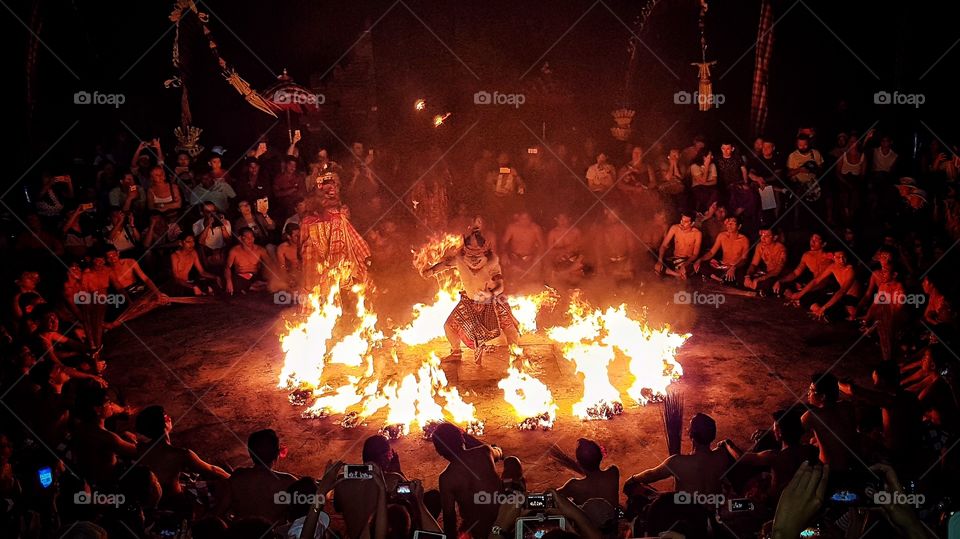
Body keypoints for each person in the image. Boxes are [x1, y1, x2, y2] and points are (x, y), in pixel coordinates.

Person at [420, 227, 521, 365]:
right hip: (469, 303)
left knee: (508, 326)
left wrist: (489, 294)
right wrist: (432, 271)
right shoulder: (460, 261)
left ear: (485, 250)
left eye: (477, 254)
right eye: (470, 254)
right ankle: (456, 353)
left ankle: (516, 353)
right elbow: (445, 264)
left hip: (492, 302)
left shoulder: (492, 264)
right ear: (465, 250)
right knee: (449, 326)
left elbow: (500, 286)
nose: (474, 259)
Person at [134, 405, 230, 503]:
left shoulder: (140, 448)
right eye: (166, 416)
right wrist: (234, 478)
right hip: (175, 500)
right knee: (220, 486)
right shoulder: (180, 454)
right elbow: (212, 470)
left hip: (153, 499)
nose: (169, 418)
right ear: (165, 421)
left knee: (185, 481)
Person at [624, 413, 730, 498]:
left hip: (686, 513)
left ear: (691, 434)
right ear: (713, 435)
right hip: (713, 510)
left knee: (638, 490)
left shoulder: (678, 462)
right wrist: (727, 444)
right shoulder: (722, 455)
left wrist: (632, 479)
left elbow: (651, 475)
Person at [720, 409, 817, 501]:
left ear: (780, 433)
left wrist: (727, 443)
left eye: (775, 429)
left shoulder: (774, 456)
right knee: (765, 439)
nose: (773, 430)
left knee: (729, 508)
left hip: (772, 501)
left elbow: (741, 458)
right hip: (794, 496)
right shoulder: (809, 449)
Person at [300, 172, 372, 291]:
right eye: (327, 186)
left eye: (333, 186)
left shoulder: (340, 217)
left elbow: (351, 234)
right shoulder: (309, 220)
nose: (331, 189)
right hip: (315, 246)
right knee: (314, 279)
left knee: (335, 279)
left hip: (336, 247)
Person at [431, 423, 503, 539]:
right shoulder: (484, 451)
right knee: (512, 462)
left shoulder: (446, 479)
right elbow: (499, 453)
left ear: (439, 452)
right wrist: (496, 449)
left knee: (467, 520)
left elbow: (449, 518)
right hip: (504, 521)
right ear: (462, 438)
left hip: (480, 532)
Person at [216, 429, 298, 522]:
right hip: (273, 535)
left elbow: (219, 511)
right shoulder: (288, 482)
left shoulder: (238, 477)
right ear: (277, 453)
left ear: (250, 453)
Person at [801, 373, 860, 470]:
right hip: (854, 465)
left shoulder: (811, 415)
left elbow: (790, 435)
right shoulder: (847, 406)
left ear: (822, 396)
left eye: (811, 390)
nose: (808, 393)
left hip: (830, 470)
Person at [105, 245, 170, 328]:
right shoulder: (109, 271)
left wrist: (158, 293)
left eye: (114, 255)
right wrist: (129, 302)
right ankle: (118, 322)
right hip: (126, 294)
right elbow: (119, 288)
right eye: (109, 257)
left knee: (159, 298)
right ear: (106, 259)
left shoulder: (130, 262)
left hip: (138, 289)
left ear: (118, 253)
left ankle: (124, 318)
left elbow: (145, 278)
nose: (112, 259)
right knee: (141, 305)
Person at [787, 251, 861, 321]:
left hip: (850, 298)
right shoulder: (833, 266)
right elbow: (816, 280)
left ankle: (831, 311)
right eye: (838, 257)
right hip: (839, 296)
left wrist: (824, 308)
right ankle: (819, 311)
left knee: (831, 312)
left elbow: (842, 291)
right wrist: (800, 294)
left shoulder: (850, 270)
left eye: (843, 257)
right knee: (805, 297)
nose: (842, 260)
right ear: (833, 257)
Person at [551, 438, 620, 507]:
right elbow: (595, 478)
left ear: (579, 463)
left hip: (586, 518)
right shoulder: (613, 473)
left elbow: (553, 496)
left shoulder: (574, 486)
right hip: (613, 517)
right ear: (601, 456)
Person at [692, 215, 750, 283]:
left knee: (741, 276)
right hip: (722, 266)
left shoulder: (744, 240)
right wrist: (700, 259)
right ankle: (719, 279)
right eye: (728, 222)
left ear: (739, 226)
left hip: (734, 268)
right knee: (702, 265)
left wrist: (734, 268)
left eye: (733, 223)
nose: (729, 225)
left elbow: (744, 259)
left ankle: (716, 278)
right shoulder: (722, 236)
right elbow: (711, 252)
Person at [592, 206, 638, 284]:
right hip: (609, 263)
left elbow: (632, 247)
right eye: (611, 214)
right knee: (606, 283)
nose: (613, 216)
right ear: (606, 213)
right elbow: (598, 248)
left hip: (624, 262)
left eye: (615, 214)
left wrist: (629, 261)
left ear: (619, 214)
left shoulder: (625, 228)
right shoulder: (602, 229)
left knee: (629, 281)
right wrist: (600, 265)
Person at [500, 211, 545, 282]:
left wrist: (538, 256)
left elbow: (542, 245)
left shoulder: (535, 228)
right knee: (505, 264)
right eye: (522, 219)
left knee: (537, 268)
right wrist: (504, 254)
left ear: (530, 219)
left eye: (527, 219)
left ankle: (535, 286)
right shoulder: (512, 227)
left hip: (530, 257)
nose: (525, 221)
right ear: (518, 219)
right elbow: (504, 242)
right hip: (514, 256)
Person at [224, 228, 271, 295]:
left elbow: (270, 264)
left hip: (255, 277)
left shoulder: (260, 250)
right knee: (232, 282)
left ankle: (253, 287)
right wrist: (229, 281)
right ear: (240, 238)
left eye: (252, 237)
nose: (250, 239)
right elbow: (227, 267)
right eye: (247, 237)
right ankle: (253, 287)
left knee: (269, 280)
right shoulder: (234, 251)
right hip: (240, 278)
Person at [655, 212, 702, 279]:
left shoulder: (697, 234)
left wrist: (684, 265)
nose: (682, 223)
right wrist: (660, 261)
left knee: (688, 270)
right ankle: (677, 274)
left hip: (687, 261)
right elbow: (663, 246)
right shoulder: (675, 228)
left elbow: (695, 254)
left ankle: (675, 274)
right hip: (674, 259)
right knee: (656, 265)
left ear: (692, 223)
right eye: (681, 220)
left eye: (685, 222)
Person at [743, 228, 787, 293]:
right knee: (742, 275)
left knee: (769, 283)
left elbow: (777, 271)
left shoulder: (781, 249)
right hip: (766, 274)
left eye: (766, 236)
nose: (762, 239)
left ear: (775, 237)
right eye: (761, 236)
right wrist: (748, 276)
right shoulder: (759, 246)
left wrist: (759, 279)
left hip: (778, 276)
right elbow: (754, 264)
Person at [192, 202, 232, 270]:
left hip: (222, 250)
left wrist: (223, 227)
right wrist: (207, 226)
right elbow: (200, 242)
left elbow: (228, 241)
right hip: (207, 251)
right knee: (200, 249)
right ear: (202, 213)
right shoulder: (197, 225)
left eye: (214, 211)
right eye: (208, 212)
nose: (212, 214)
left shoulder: (225, 222)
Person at [689, 148, 718, 213]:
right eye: (710, 156)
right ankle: (706, 211)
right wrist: (707, 166)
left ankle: (708, 212)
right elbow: (703, 180)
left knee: (716, 192)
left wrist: (704, 183)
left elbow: (715, 181)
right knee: (706, 195)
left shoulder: (712, 165)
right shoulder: (694, 166)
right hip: (697, 188)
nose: (712, 157)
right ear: (704, 157)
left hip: (709, 187)